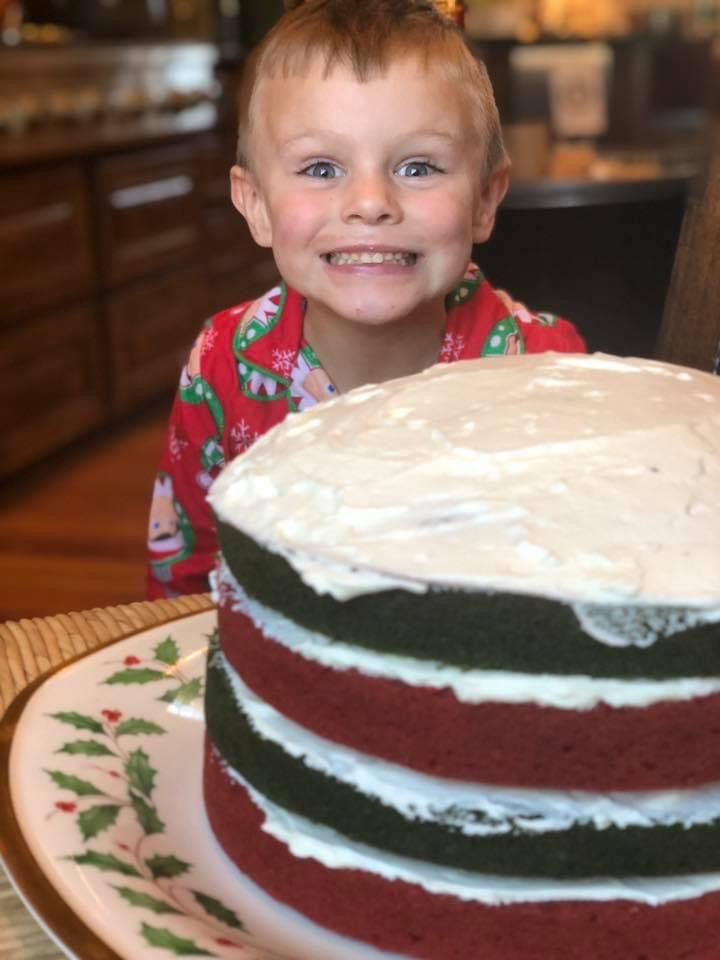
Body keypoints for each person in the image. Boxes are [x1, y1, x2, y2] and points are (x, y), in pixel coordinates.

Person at [146, 0, 586, 599]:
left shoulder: (545, 365)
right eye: (322, 168)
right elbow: (186, 573)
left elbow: (580, 570)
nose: (371, 201)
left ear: (485, 199)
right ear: (255, 205)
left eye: (418, 166)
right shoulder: (221, 363)